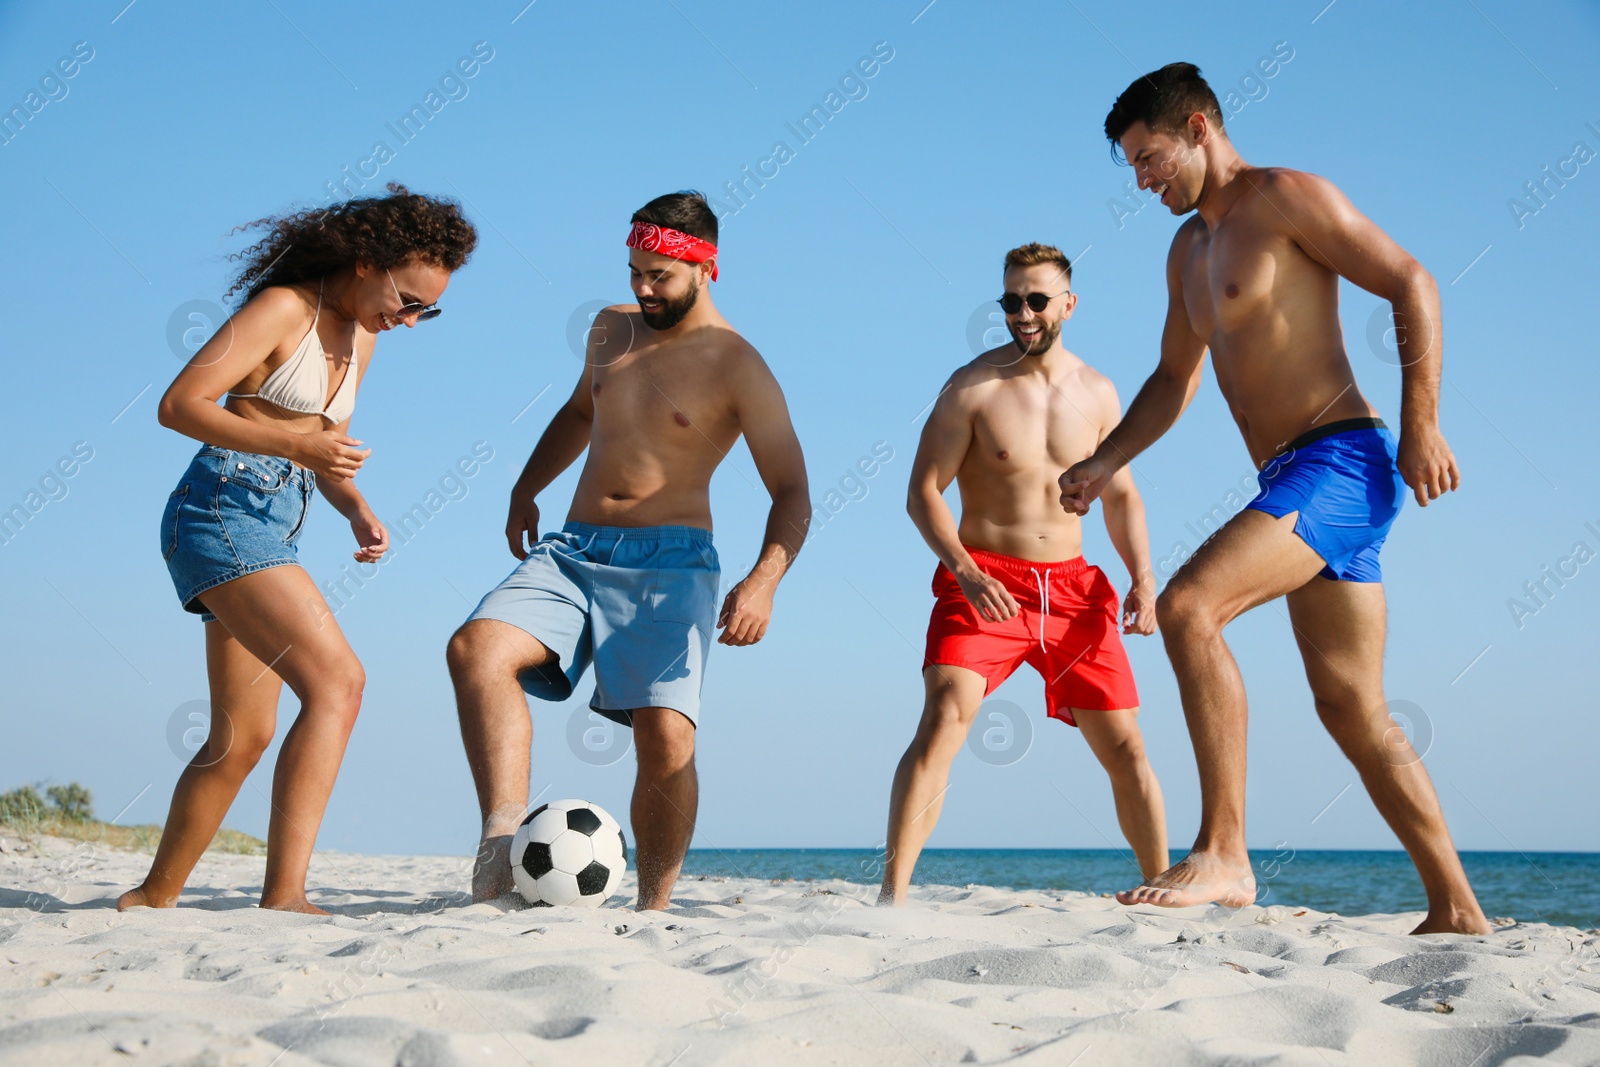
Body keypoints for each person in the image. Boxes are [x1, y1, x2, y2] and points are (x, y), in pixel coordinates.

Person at [1060, 64, 1490, 934]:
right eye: (1133, 166)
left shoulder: (1285, 197)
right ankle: (1459, 907)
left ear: (1197, 126)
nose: (1142, 180)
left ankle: (1225, 850)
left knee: (1188, 607)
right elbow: (1173, 380)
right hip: (1289, 479)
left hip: (1343, 462)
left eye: (1149, 158)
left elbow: (1414, 280)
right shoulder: (1187, 251)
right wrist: (1105, 460)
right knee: (1352, 708)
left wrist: (1423, 423)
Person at [448, 190, 810, 911]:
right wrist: (527, 485)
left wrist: (765, 578)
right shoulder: (611, 329)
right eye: (634, 271)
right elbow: (583, 410)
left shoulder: (739, 365)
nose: (642, 289)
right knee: (476, 649)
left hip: (671, 563)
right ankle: (499, 840)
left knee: (666, 739)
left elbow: (793, 490)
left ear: (706, 267)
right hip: (575, 550)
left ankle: (653, 908)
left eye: (659, 276)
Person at [119, 184, 477, 914]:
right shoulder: (285, 308)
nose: (408, 320)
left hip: (275, 521)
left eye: (425, 311)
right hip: (220, 507)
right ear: (366, 260)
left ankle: (151, 900)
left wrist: (356, 508)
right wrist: (292, 440)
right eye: (406, 298)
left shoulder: (364, 338)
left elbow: (323, 451)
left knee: (241, 737)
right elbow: (179, 404)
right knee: (339, 683)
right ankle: (285, 895)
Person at [877, 242, 1168, 906]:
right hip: (985, 581)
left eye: (1037, 300)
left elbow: (1122, 495)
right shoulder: (972, 386)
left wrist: (1143, 578)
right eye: (1011, 301)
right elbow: (922, 492)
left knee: (1126, 746)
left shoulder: (1098, 392)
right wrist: (965, 570)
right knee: (945, 715)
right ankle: (892, 896)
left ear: (1069, 303)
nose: (1023, 313)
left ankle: (1158, 887)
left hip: (1072, 589)